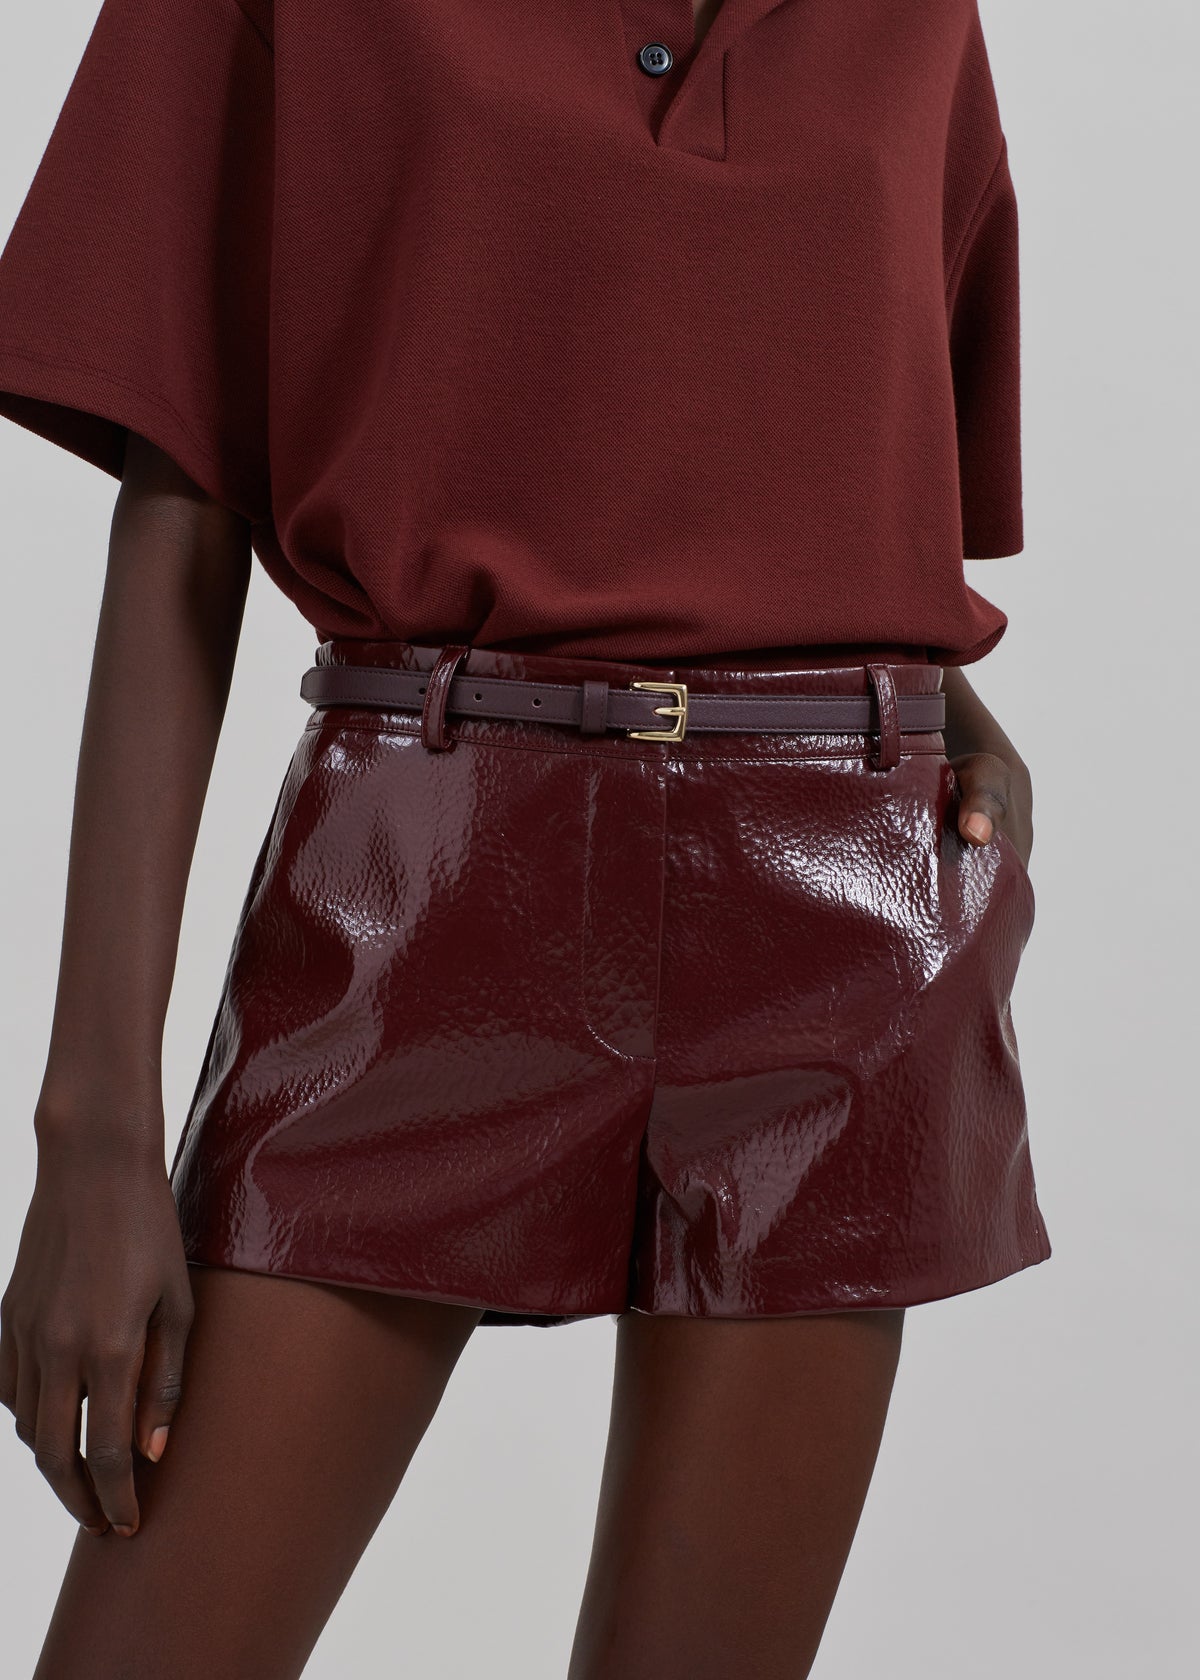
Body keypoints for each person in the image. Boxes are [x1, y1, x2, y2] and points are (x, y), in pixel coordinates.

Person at [0, 2, 1051, 1675]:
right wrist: (95, 1134)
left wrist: (936, 694)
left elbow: (835, 438)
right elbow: (180, 506)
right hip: (426, 885)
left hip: (840, 915)